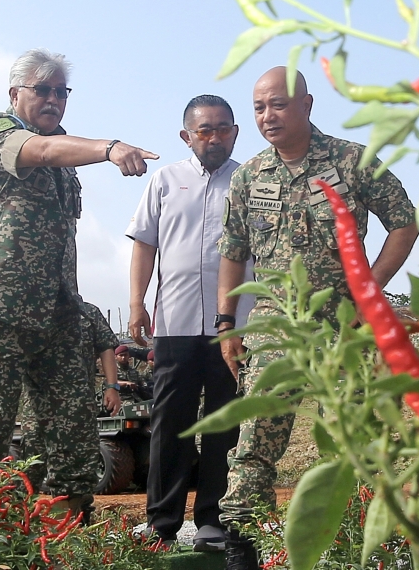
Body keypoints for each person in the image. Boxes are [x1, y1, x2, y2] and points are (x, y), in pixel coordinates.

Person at [0, 48, 158, 523]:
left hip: (59, 313)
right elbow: (38, 151)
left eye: (62, 91)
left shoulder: (67, 154)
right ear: (15, 92)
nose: (54, 98)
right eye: (44, 89)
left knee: (71, 430)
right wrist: (110, 148)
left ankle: (64, 528)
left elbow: (57, 151)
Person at [215, 67, 418, 570]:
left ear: (306, 105)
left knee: (354, 434)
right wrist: (226, 323)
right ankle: (245, 545)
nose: (267, 116)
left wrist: (369, 289)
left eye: (278, 104)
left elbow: (404, 223)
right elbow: (233, 251)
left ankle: (362, 543)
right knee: (256, 438)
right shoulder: (249, 175)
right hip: (274, 324)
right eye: (259, 107)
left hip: (343, 322)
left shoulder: (353, 162)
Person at [126, 94, 255, 552]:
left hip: (236, 327)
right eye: (205, 129)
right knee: (170, 422)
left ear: (236, 132)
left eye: (224, 128)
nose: (215, 136)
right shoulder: (164, 181)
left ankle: (212, 523)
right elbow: (144, 244)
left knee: (224, 423)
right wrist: (137, 303)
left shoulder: (252, 180)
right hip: (174, 322)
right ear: (187, 136)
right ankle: (161, 522)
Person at [18, 300, 123, 492]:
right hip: (36, 401)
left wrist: (112, 386)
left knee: (79, 461)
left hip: (78, 401)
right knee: (32, 461)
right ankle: (24, 516)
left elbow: (106, 347)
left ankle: (73, 516)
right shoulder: (31, 308)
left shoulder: (87, 312)